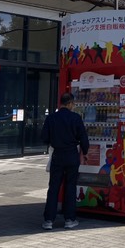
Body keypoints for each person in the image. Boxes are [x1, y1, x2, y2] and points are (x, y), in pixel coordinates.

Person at [41, 92, 89, 230]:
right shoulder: (75, 118)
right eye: (73, 104)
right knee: (70, 187)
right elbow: (83, 138)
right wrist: (85, 152)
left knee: (54, 187)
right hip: (72, 155)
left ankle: (48, 220)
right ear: (70, 104)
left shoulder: (51, 118)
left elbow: (44, 137)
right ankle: (69, 219)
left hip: (58, 155)